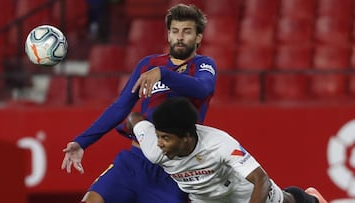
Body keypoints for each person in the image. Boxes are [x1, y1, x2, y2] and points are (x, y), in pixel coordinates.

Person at [61, 4, 217, 203]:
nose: (179, 37)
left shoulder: (204, 65)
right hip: (134, 161)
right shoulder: (149, 64)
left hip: (173, 172)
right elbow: (120, 107)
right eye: (175, 31)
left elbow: (203, 88)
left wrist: (164, 74)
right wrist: (82, 142)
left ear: (198, 37)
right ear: (168, 35)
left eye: (187, 32)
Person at [127, 97, 328, 203]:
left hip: (246, 195)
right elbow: (134, 118)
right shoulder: (154, 149)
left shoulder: (219, 144)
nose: (160, 143)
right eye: (159, 136)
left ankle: (310, 199)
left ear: (186, 137)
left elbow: (261, 180)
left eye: (166, 138)